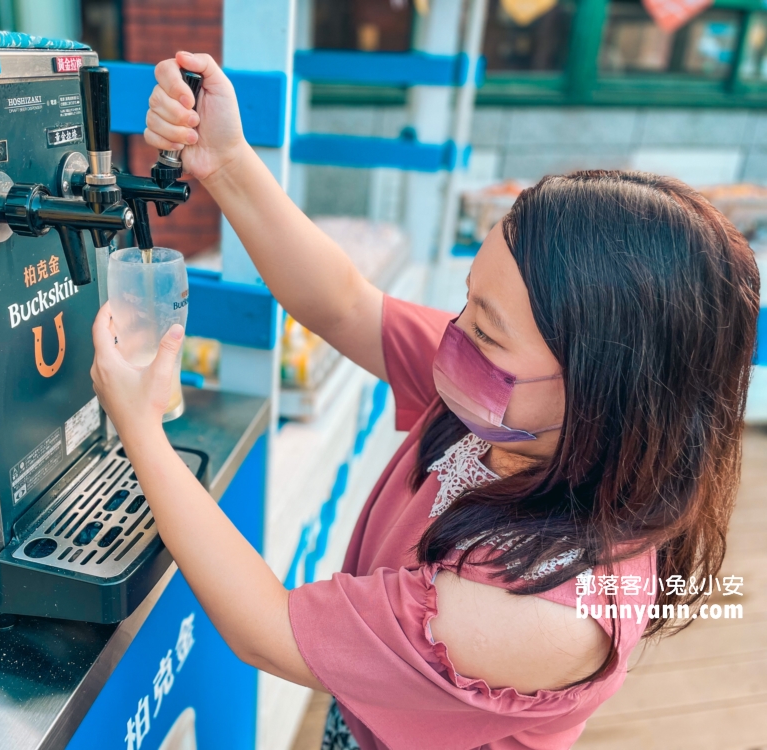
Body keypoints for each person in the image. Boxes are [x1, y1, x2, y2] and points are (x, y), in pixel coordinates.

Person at [89, 51, 761, 750]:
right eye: (468, 301)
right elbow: (345, 302)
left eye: (488, 329)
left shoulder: (543, 609)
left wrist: (140, 428)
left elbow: (268, 628)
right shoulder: (510, 413)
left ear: (608, 390)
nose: (454, 336)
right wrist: (223, 160)